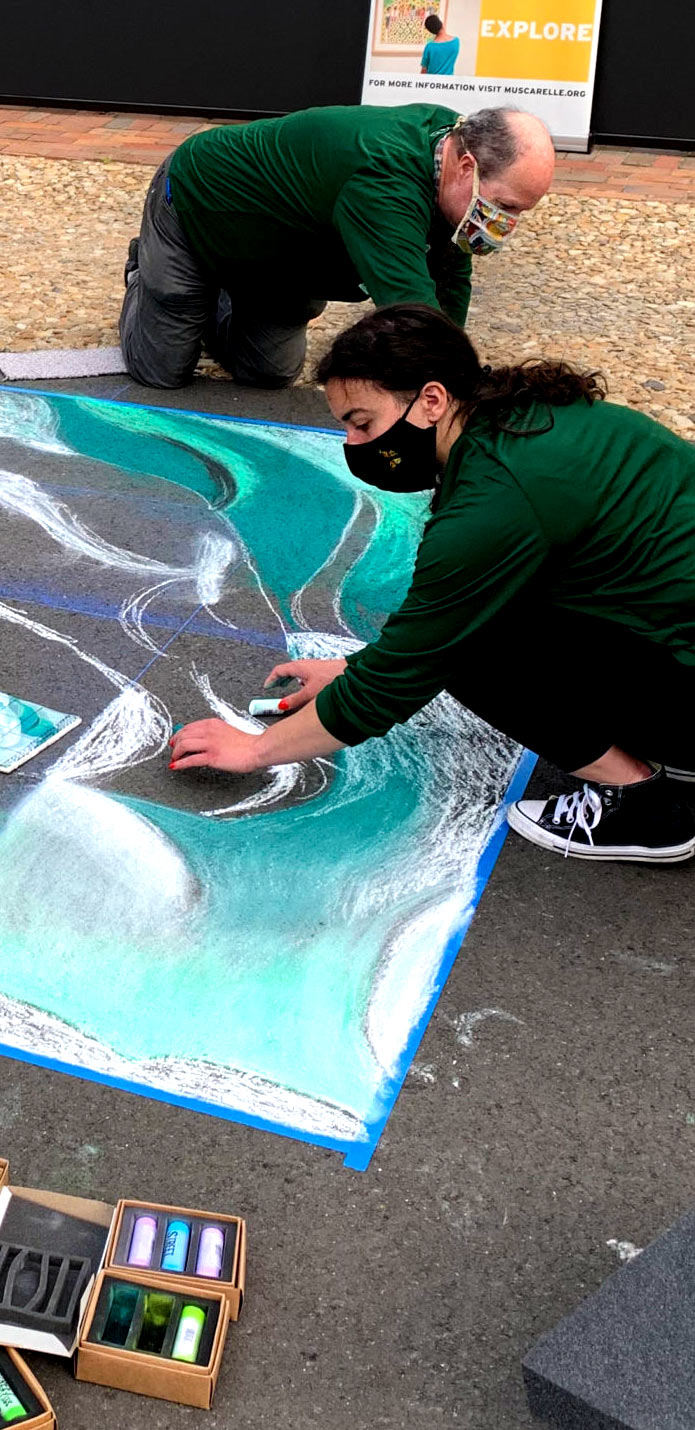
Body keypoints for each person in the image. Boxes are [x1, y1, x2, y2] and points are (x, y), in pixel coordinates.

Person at [169, 304, 695, 865]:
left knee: (470, 652)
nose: (353, 443)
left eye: (363, 422)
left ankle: (644, 803)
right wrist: (355, 669)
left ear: (432, 399)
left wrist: (256, 750)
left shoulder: (495, 500)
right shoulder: (540, 419)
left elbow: (415, 664)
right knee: (488, 616)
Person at [120, 105, 555, 390]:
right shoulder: (384, 184)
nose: (506, 224)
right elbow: (413, 314)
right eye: (504, 206)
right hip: (200, 205)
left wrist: (458, 367)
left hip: (281, 258)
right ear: (467, 168)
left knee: (270, 374)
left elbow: (451, 279)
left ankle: (213, 298)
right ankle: (147, 273)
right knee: (160, 371)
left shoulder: (453, 146)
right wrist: (466, 390)